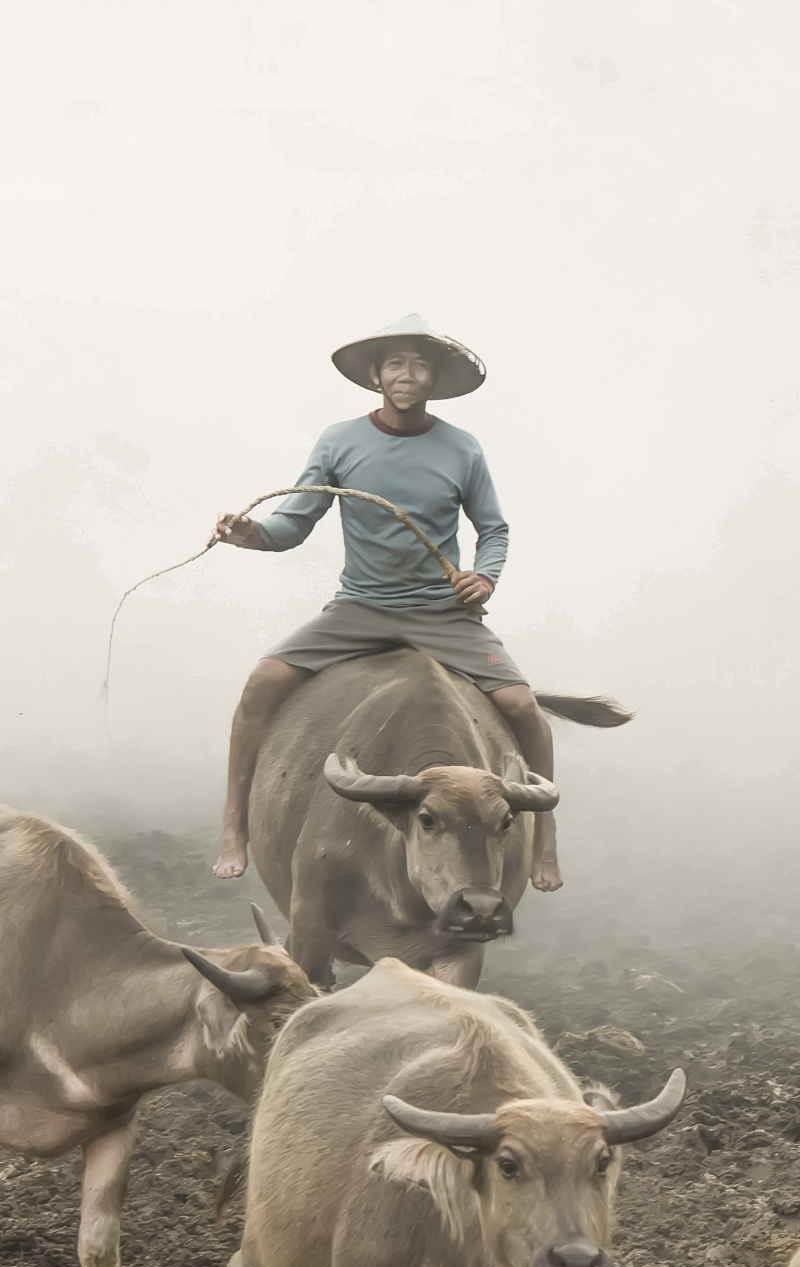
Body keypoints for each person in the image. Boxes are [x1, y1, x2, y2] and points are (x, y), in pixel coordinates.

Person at [206, 315, 562, 891]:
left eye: (419, 365)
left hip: (441, 612)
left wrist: (484, 578)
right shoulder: (339, 440)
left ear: (434, 379)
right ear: (375, 375)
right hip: (361, 608)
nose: (407, 374)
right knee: (261, 683)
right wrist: (252, 534)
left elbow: (493, 529)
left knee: (523, 708)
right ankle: (233, 826)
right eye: (395, 363)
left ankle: (545, 839)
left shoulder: (462, 448)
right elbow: (294, 523)